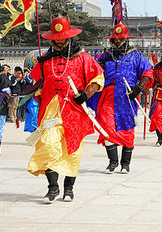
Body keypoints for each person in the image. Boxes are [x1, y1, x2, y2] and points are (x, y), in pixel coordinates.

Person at [27, 17, 104, 203]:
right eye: (56, 38)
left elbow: (98, 78)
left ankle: (68, 189)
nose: (59, 40)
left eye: (62, 37)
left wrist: (86, 93)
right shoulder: (45, 60)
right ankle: (52, 188)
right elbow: (34, 81)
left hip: (74, 110)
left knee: (72, 151)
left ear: (69, 37)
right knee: (48, 144)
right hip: (51, 110)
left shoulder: (83, 57)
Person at [90, 23, 153, 174]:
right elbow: (95, 72)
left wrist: (138, 88)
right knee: (106, 126)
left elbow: (147, 72)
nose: (117, 41)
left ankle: (126, 164)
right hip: (108, 96)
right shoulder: (106, 56)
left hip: (127, 97)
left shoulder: (135, 55)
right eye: (114, 39)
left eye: (120, 38)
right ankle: (112, 162)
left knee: (127, 130)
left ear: (125, 38)